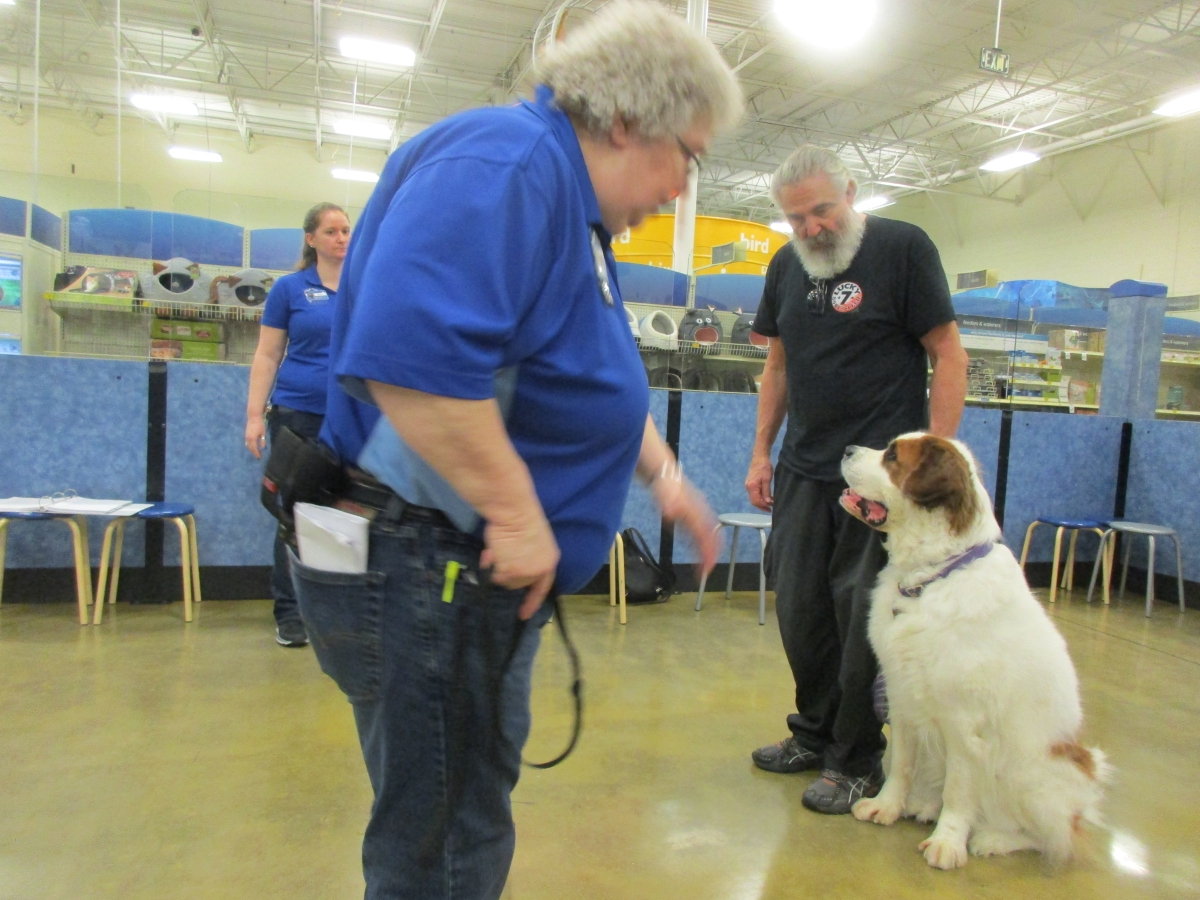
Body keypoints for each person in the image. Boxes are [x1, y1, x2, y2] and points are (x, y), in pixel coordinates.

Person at [290, 4, 741, 897]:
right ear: (627, 119)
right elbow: (413, 365)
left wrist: (664, 476)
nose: (682, 190)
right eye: (689, 157)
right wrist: (518, 512)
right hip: (427, 561)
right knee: (443, 847)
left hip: (457, 570)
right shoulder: (508, 165)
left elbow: (574, 374)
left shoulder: (573, 209)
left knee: (461, 818)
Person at [745, 145, 968, 815]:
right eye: (796, 219)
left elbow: (948, 353)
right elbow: (778, 366)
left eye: (822, 210)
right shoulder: (785, 266)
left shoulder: (903, 249)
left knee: (858, 616)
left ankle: (856, 759)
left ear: (849, 191)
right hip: (803, 468)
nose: (812, 228)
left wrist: (934, 458)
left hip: (879, 481)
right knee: (800, 608)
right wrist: (761, 452)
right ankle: (813, 734)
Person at [244, 202, 351, 647]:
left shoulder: (363, 287)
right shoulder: (290, 289)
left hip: (350, 417)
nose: (341, 238)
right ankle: (289, 613)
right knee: (295, 514)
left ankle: (337, 613)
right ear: (311, 239)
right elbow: (268, 355)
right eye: (331, 231)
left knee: (347, 514)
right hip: (297, 415)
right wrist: (254, 415)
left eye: (346, 230)